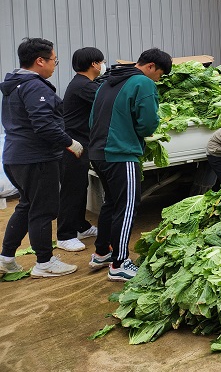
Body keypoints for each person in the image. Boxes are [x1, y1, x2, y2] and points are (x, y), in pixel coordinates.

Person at [88, 48, 172, 281]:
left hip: (98, 151)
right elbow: (147, 124)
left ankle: (102, 252)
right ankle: (120, 263)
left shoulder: (107, 81)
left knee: (112, 203)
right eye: (160, 74)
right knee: (127, 208)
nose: (158, 79)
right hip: (121, 152)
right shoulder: (142, 83)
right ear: (151, 67)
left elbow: (92, 118)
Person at [0, 38, 81, 278]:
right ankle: (44, 262)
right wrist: (70, 142)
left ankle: (6, 258)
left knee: (26, 205)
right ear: (40, 61)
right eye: (54, 60)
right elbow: (43, 124)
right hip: (36, 158)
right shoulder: (34, 86)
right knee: (43, 210)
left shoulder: (14, 84)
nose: (55, 65)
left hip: (15, 156)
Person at [56, 47, 106, 252]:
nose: (104, 65)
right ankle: (65, 235)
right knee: (71, 189)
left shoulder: (83, 83)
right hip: (71, 146)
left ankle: (80, 226)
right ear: (94, 64)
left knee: (79, 186)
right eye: (101, 61)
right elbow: (107, 99)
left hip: (80, 144)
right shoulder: (84, 86)